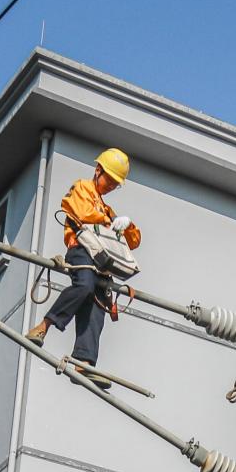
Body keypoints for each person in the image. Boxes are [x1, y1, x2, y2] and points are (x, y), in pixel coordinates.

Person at [27, 146, 141, 374]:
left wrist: (127, 225)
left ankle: (84, 361)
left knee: (98, 303)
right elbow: (82, 213)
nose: (110, 186)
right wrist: (110, 221)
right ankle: (43, 326)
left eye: (115, 184)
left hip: (101, 258)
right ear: (98, 170)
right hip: (81, 248)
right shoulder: (82, 188)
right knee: (85, 286)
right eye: (109, 180)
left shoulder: (108, 210)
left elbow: (134, 241)